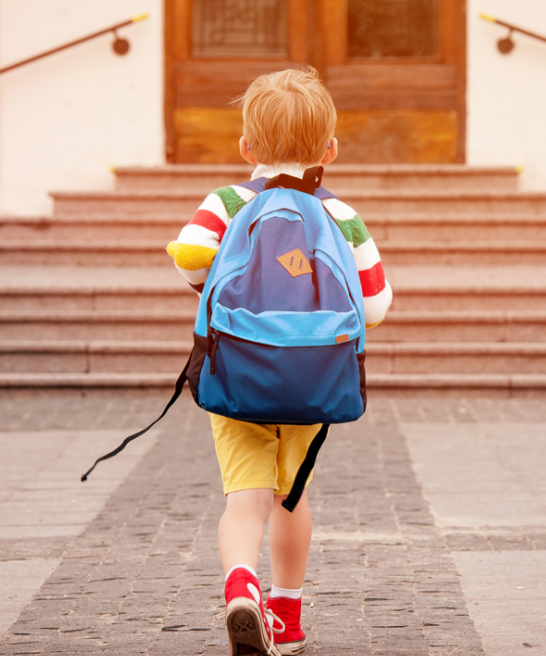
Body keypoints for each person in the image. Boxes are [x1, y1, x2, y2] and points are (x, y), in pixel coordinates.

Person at [166, 67, 392, 656]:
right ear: (330, 150)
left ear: (245, 147)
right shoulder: (339, 214)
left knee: (245, 500)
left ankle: (241, 584)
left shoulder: (229, 201)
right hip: (312, 380)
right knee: (291, 498)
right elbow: (376, 304)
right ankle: (286, 617)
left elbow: (191, 255)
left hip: (237, 372)